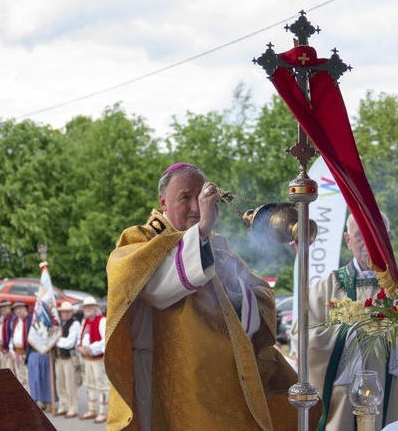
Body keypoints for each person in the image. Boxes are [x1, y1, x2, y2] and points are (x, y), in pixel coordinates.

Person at [106, 163, 305, 430]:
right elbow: (157, 292)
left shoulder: (217, 248)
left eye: (201, 198)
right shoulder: (139, 240)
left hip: (215, 384)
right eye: (185, 197)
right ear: (163, 201)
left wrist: (233, 287)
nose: (196, 207)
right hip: (159, 377)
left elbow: (256, 306)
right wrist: (199, 233)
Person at [308, 212, 398, 431]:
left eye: (376, 235)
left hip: (396, 395)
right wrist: (352, 331)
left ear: (387, 238)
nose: (368, 241)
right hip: (344, 403)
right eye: (360, 235)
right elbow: (307, 339)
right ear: (348, 241)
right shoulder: (327, 287)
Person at [78, 296, 108, 424]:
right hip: (87, 358)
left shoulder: (102, 321)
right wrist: (79, 347)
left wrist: (89, 348)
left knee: (102, 385)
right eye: (86, 307)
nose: (88, 309)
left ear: (95, 308)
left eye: (90, 306)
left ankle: (103, 412)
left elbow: (104, 341)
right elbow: (80, 337)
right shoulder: (84, 321)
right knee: (89, 384)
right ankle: (91, 410)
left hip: (97, 359)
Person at [55, 301, 82, 418]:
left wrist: (56, 341)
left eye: (67, 312)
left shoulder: (75, 324)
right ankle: (63, 406)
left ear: (71, 312)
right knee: (60, 383)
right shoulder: (61, 323)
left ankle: (72, 408)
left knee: (71, 384)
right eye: (63, 312)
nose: (65, 314)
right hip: (59, 357)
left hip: (69, 358)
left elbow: (70, 343)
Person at [6, 301, 32, 392]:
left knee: (28, 378)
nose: (18, 311)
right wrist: (12, 351)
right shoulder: (15, 321)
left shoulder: (30, 320)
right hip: (17, 353)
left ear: (25, 309)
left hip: (27, 353)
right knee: (20, 378)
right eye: (16, 309)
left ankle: (31, 400)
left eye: (20, 308)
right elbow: (12, 337)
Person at [0, 299, 12, 369]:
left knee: (8, 368)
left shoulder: (12, 319)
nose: (3, 309)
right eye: (1, 307)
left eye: (5, 307)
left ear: (9, 308)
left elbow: (12, 334)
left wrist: (10, 349)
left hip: (6, 348)